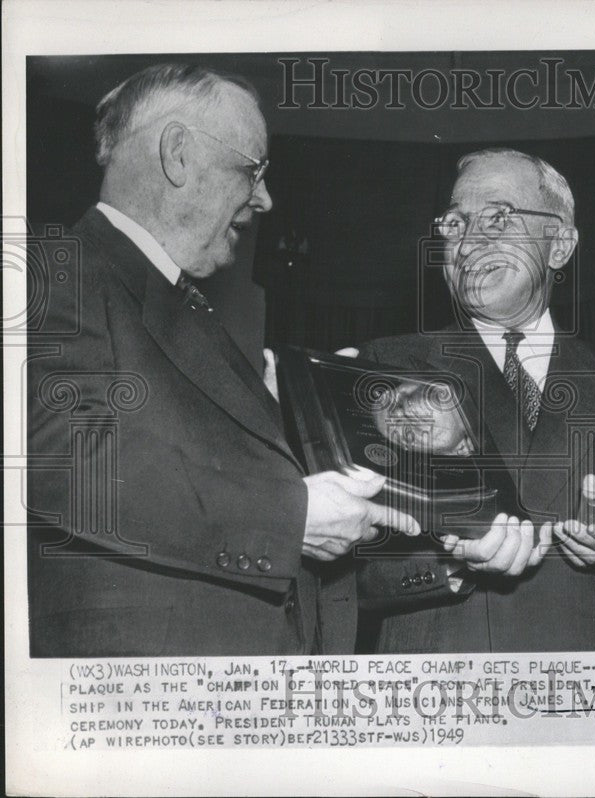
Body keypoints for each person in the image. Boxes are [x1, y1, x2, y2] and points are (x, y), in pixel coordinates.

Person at [27, 63, 419, 657]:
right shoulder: (50, 275)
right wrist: (290, 514)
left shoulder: (184, 306)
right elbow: (61, 459)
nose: (264, 198)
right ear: (179, 154)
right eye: (253, 169)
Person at [359, 148, 595, 652]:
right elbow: (347, 565)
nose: (469, 241)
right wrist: (453, 564)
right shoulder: (386, 367)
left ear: (558, 244)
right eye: (455, 223)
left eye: (498, 218)